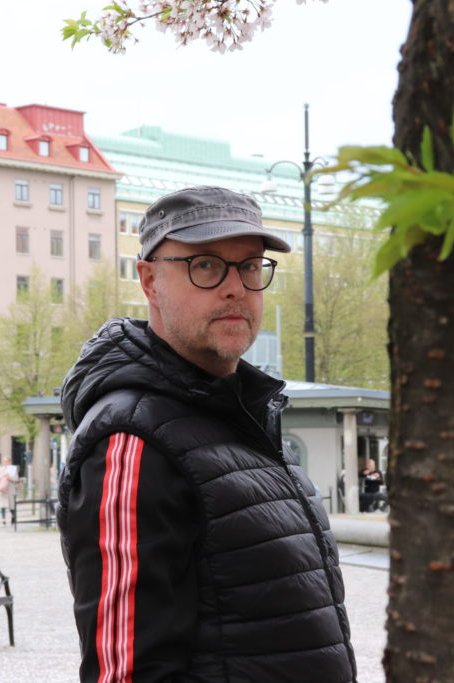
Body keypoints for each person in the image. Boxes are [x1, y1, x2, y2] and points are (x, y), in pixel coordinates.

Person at [57, 186, 357, 681]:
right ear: (150, 281)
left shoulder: (242, 418)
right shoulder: (133, 441)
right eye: (206, 265)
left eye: (249, 266)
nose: (235, 287)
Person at [0, 457, 20, 525]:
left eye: (6, 461)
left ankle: (13, 516)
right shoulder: (0, 469)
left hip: (10, 489)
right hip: (2, 489)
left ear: (10, 462)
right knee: (2, 505)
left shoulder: (13, 469)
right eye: (4, 461)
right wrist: (2, 476)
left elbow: (16, 479)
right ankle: (3, 519)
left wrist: (9, 477)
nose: (5, 463)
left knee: (11, 505)